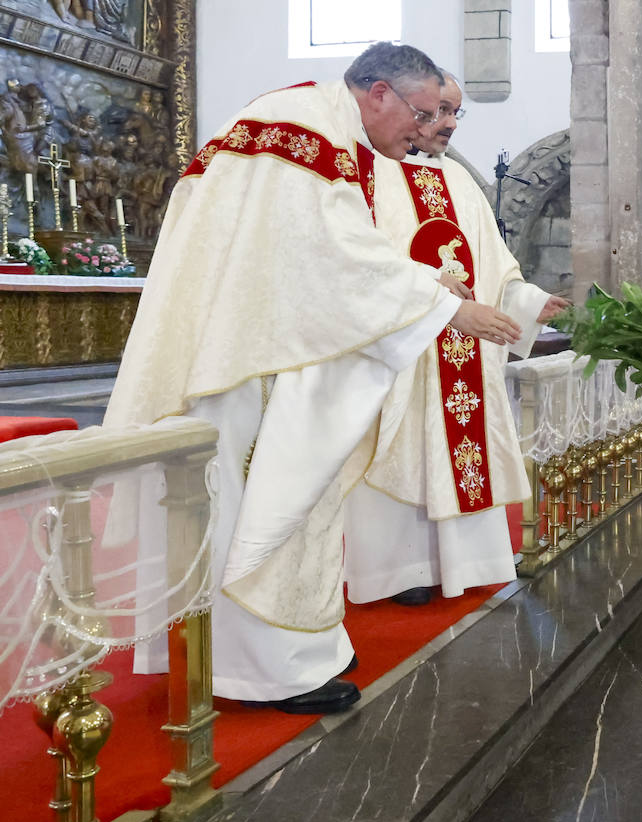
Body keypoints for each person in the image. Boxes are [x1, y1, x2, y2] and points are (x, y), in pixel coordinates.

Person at [104, 43, 524, 715]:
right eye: (418, 114)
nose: (420, 131)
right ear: (379, 91)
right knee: (270, 503)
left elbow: (334, 252)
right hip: (254, 362)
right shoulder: (300, 132)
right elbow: (334, 256)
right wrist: (451, 307)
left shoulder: (319, 124)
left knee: (285, 505)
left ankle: (297, 648)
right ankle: (272, 672)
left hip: (262, 348)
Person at [343, 71, 568, 607]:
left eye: (454, 113)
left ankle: (467, 562)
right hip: (404, 356)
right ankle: (402, 571)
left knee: (462, 448)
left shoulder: (462, 184)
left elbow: (496, 268)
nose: (447, 124)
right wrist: (431, 301)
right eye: (438, 111)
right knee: (403, 449)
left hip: (462, 355)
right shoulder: (367, 176)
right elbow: (363, 270)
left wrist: (529, 300)